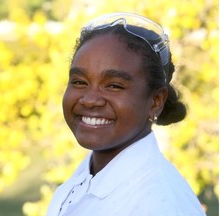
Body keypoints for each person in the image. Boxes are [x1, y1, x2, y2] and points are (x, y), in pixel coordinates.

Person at [47, 12, 206, 216]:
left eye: (113, 85)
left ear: (156, 101)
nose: (89, 99)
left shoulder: (158, 204)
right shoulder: (84, 178)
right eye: (79, 82)